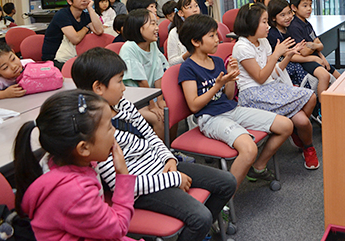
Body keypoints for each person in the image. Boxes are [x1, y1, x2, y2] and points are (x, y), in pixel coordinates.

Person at [71, 48, 237, 241]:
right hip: (141, 187)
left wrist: (169, 158)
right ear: (98, 87)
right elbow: (121, 184)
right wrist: (173, 179)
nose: (124, 87)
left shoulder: (122, 103)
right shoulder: (92, 128)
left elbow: (150, 135)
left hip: (161, 166)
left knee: (227, 182)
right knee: (200, 217)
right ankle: (198, 230)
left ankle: (196, 234)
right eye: (119, 81)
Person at [178, 14, 293, 187]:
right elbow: (194, 105)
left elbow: (229, 96)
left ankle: (258, 167)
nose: (218, 39)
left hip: (232, 109)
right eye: (212, 36)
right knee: (249, 149)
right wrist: (217, 87)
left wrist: (231, 78)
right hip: (210, 118)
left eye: (216, 34)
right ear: (195, 41)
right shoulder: (187, 68)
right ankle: (224, 201)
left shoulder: (216, 61)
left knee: (286, 125)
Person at [13, 90, 137, 241]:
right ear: (83, 148)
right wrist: (123, 174)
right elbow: (118, 228)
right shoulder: (75, 192)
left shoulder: (64, 159)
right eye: (109, 127)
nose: (115, 131)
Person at [232, 3, 319, 169]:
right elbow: (260, 77)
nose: (267, 26)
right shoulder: (241, 47)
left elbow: (272, 73)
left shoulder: (262, 42)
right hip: (253, 94)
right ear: (251, 24)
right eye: (264, 22)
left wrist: (288, 55)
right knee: (302, 122)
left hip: (269, 88)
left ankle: (300, 137)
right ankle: (306, 145)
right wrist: (277, 54)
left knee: (310, 98)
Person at [287, 0, 340, 124]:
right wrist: (315, 47)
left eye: (310, 5)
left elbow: (319, 45)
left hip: (316, 57)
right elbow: (303, 52)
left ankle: (338, 106)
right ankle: (322, 110)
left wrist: (319, 53)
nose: (309, 9)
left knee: (341, 78)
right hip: (305, 60)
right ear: (294, 7)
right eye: (305, 6)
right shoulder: (294, 26)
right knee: (325, 76)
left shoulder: (307, 23)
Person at [119, 9, 168, 140]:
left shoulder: (152, 44)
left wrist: (161, 100)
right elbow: (141, 82)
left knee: (169, 110)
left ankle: (171, 149)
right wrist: (153, 105)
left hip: (150, 95)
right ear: (139, 28)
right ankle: (159, 157)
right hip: (132, 99)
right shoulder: (129, 48)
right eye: (152, 24)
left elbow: (158, 74)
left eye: (156, 24)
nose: (157, 28)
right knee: (157, 118)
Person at [41, 0, 103, 69]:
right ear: (70, 1)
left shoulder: (84, 16)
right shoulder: (62, 15)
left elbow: (99, 30)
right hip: (54, 59)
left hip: (73, 56)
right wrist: (86, 28)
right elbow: (75, 39)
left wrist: (90, 9)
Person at [267, 0, 313, 88]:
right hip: (281, 66)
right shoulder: (273, 34)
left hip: (294, 60)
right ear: (273, 18)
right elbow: (288, 55)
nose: (288, 17)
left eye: (289, 13)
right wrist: (311, 59)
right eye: (282, 15)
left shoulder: (289, 28)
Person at [167, 0, 201, 66]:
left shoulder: (205, 28)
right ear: (181, 13)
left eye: (196, 6)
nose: (195, 10)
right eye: (190, 7)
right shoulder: (174, 33)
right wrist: (188, 53)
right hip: (186, 68)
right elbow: (171, 62)